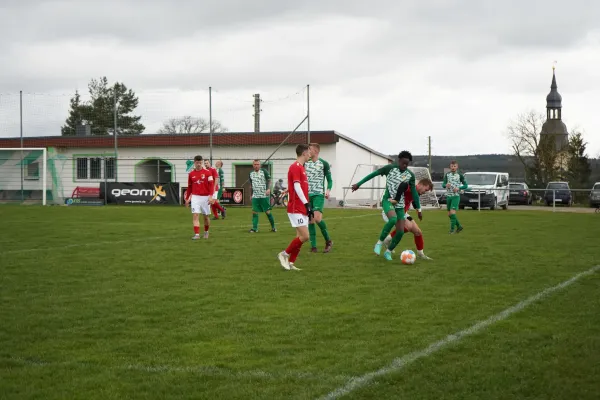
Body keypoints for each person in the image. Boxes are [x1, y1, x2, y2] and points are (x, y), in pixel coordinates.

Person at [351, 150, 421, 261]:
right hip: (388, 200)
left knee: (400, 232)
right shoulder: (390, 168)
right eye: (403, 163)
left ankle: (387, 252)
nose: (404, 166)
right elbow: (373, 174)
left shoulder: (410, 175)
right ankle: (378, 243)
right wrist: (358, 184)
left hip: (400, 204)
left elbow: (414, 193)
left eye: (407, 164)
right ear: (399, 160)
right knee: (393, 219)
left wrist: (419, 208)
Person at [277, 144, 314, 271]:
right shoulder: (295, 167)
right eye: (309, 152)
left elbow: (296, 186)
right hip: (296, 208)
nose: (310, 154)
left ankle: (291, 263)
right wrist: (306, 204)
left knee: (300, 237)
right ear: (304, 153)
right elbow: (297, 187)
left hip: (302, 207)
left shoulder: (302, 168)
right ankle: (284, 254)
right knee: (305, 236)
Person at [383, 178, 434, 260]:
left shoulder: (416, 193)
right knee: (407, 227)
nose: (425, 192)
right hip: (392, 211)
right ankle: (387, 241)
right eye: (426, 189)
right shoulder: (409, 187)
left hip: (403, 213)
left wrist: (418, 211)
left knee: (417, 232)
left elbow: (414, 202)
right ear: (420, 185)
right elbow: (402, 186)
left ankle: (421, 254)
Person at [304, 143, 333, 253]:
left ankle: (328, 240)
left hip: (318, 195)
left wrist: (328, 190)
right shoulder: (306, 163)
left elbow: (330, 179)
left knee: (317, 218)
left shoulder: (323, 163)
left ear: (316, 151)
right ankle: (313, 247)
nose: (308, 151)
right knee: (310, 221)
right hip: (307, 196)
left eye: (309, 149)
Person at [184, 155, 215, 239]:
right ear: (194, 163)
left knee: (206, 217)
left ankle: (206, 231)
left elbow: (211, 186)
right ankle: (197, 234)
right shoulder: (191, 174)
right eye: (197, 163)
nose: (199, 164)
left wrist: (211, 196)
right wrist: (187, 199)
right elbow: (189, 187)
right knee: (195, 215)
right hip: (195, 197)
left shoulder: (208, 173)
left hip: (206, 197)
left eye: (200, 163)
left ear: (202, 163)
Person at [249, 159, 276, 232]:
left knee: (267, 212)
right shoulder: (251, 173)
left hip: (264, 195)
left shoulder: (264, 171)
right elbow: (251, 185)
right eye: (255, 164)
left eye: (257, 164)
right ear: (253, 165)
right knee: (254, 211)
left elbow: (269, 181)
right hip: (255, 196)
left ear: (260, 165)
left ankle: (273, 227)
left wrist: (268, 189)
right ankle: (255, 228)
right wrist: (251, 194)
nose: (256, 166)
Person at [442, 161, 468, 233]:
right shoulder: (447, 175)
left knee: (452, 213)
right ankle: (459, 226)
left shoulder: (460, 175)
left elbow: (466, 185)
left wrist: (459, 188)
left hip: (456, 196)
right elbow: (443, 184)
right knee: (449, 214)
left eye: (454, 166)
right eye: (452, 166)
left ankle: (452, 230)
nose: (453, 167)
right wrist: (445, 185)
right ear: (450, 167)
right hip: (448, 196)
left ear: (457, 167)